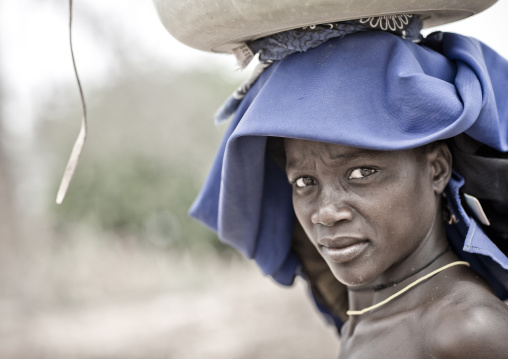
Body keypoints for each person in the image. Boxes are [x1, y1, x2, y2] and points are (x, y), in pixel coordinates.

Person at [186, 14, 508, 358]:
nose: (326, 213)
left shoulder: (465, 330)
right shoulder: (365, 312)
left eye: (361, 173)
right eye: (305, 181)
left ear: (437, 169)